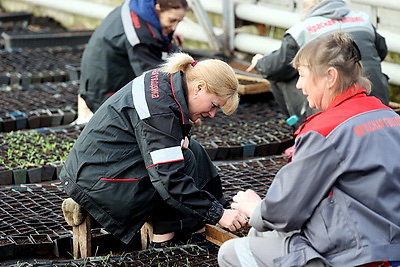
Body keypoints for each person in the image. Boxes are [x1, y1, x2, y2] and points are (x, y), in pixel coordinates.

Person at [218, 31, 400, 266]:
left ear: (330, 77)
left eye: (302, 75)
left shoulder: (324, 130)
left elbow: (284, 212)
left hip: (357, 255)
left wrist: (254, 208)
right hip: (389, 244)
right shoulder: (388, 116)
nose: (299, 85)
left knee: (232, 251)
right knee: (264, 233)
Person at [60, 52, 248, 248]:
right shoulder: (159, 110)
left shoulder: (167, 83)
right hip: (100, 183)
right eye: (213, 105)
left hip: (102, 167)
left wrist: (220, 209)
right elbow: (169, 180)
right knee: (177, 167)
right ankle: (164, 244)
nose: (211, 114)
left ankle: (206, 221)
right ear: (199, 87)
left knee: (194, 151)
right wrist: (217, 214)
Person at [247, 0, 389, 129]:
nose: (299, 85)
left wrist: (259, 62)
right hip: (377, 100)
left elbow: (275, 67)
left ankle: (301, 126)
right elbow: (381, 51)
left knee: (280, 75)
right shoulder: (363, 20)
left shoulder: (302, 30)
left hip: (336, 115)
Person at [76, 0, 188, 124]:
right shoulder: (139, 36)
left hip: (104, 73)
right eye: (172, 20)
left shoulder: (139, 6)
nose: (174, 27)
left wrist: (166, 35)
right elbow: (154, 80)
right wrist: (183, 108)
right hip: (106, 87)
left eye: (179, 21)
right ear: (157, 8)